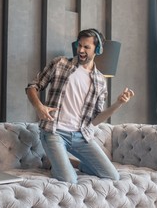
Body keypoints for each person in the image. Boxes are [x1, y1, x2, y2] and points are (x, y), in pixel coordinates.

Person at [25, 28, 134, 183]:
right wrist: (39, 107)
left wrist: (119, 103)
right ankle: (60, 164)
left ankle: (69, 163)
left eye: (86, 47)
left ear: (97, 49)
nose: (81, 50)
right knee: (69, 179)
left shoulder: (100, 81)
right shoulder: (60, 64)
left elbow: (95, 120)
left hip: (80, 136)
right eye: (79, 46)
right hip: (54, 132)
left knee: (112, 175)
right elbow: (32, 87)